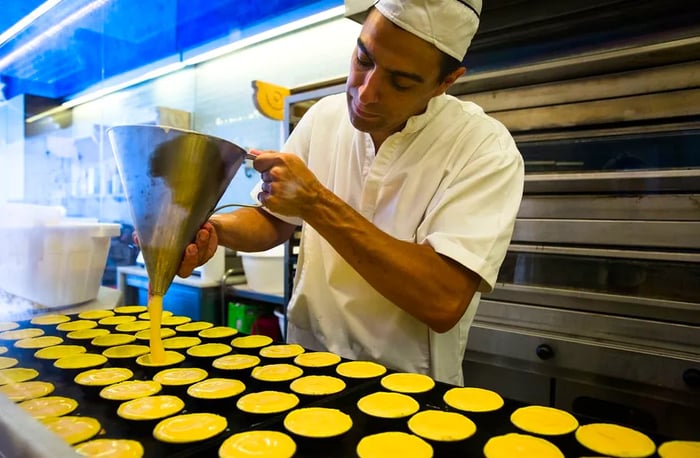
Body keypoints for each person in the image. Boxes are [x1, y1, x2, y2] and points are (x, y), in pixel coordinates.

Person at [179, 0, 524, 385]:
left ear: (446, 82)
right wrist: (212, 229)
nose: (366, 92)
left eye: (400, 81)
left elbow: (442, 300)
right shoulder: (324, 117)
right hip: (306, 366)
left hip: (407, 387)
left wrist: (316, 203)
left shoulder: (482, 147)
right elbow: (274, 220)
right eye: (363, 60)